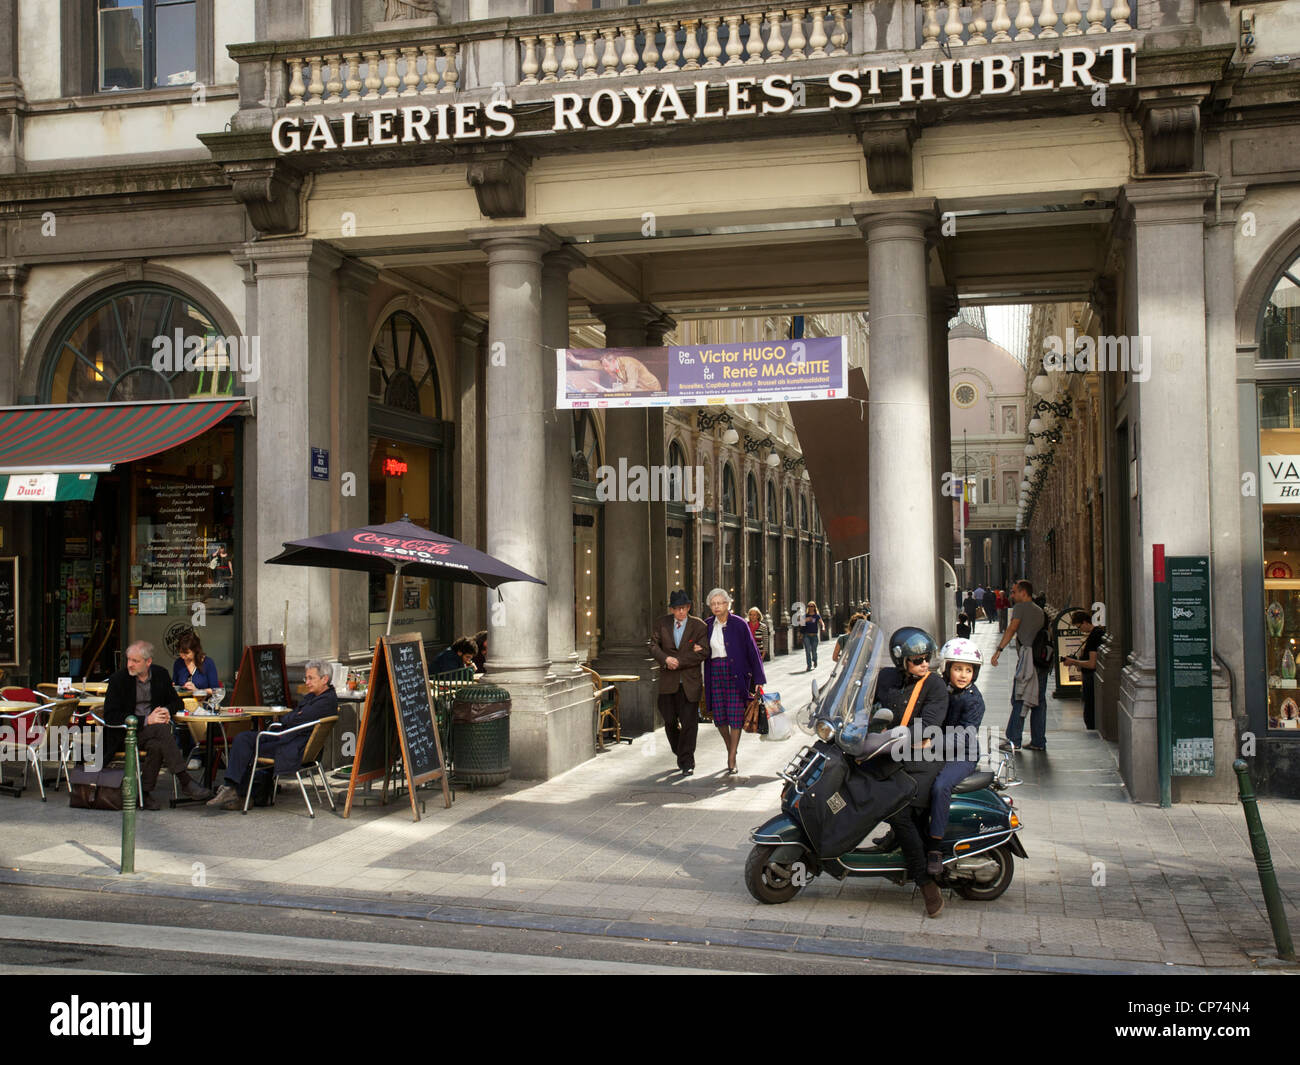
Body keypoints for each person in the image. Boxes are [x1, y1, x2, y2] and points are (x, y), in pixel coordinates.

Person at [875, 627, 950, 918]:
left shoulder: (935, 686)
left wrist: (892, 736)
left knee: (899, 809)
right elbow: (863, 700)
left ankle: (926, 883)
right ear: (900, 661)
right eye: (916, 660)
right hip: (888, 753)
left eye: (926, 658)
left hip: (922, 759)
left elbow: (929, 728)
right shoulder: (886, 677)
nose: (923, 664)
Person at [207, 660, 339, 810]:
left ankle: (236, 791)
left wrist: (289, 718)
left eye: (310, 678)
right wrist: (290, 717)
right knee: (243, 738)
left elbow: (292, 718)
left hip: (293, 747)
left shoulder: (325, 701)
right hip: (286, 737)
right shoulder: (314, 697)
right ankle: (234, 789)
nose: (307, 682)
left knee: (246, 747)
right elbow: (292, 717)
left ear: (324, 679)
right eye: (305, 678)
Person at [101, 641, 211, 808]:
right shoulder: (118, 680)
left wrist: (166, 710)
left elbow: (177, 703)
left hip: (151, 734)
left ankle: (144, 794)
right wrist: (146, 720)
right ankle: (185, 780)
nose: (130, 664)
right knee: (160, 729)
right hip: (125, 734)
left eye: (135, 661)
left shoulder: (160, 675)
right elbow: (110, 716)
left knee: (157, 744)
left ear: (148, 662)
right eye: (129, 660)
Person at [927, 638, 987, 875]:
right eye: (958, 668)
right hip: (936, 748)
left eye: (969, 670)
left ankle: (934, 847)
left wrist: (930, 743)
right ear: (947, 668)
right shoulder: (942, 688)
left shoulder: (974, 700)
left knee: (940, 785)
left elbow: (963, 737)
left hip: (963, 755)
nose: (963, 675)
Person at [703, 587, 766, 776]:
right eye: (713, 604)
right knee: (719, 716)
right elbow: (699, 646)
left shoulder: (739, 623)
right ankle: (731, 746)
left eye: (720, 603)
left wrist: (759, 679)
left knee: (735, 714)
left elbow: (752, 650)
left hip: (736, 673)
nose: (716, 606)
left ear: (727, 604)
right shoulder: (706, 625)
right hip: (714, 672)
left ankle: (731, 758)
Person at [649, 590, 710, 775]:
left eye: (683, 608)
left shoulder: (698, 626)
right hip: (668, 682)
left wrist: (679, 661)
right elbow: (652, 645)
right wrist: (666, 659)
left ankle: (687, 762)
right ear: (672, 610)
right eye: (677, 609)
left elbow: (703, 651)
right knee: (669, 720)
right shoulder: (662, 623)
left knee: (689, 722)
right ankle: (679, 750)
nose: (680, 612)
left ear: (689, 607)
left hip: (690, 683)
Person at [991, 579, 1049, 752]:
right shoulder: (1040, 611)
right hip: (1041, 661)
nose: (1012, 595)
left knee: (1020, 697)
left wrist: (999, 650)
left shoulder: (1020, 608)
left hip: (1028, 660)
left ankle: (1013, 739)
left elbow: (1012, 628)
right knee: (1039, 700)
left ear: (1024, 593)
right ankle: (1038, 740)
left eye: (1014, 592)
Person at [1063, 610, 1106, 731]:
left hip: (1091, 678)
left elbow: (1092, 663)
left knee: (1090, 707)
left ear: (1085, 622)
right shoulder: (1094, 634)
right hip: (1089, 677)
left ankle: (1092, 728)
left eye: (1079, 626)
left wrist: (1073, 662)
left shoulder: (1094, 636)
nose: (1079, 630)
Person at [566, 350, 662, 392]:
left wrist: (614, 390)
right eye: (604, 367)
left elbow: (631, 386)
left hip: (650, 387)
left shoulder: (629, 364)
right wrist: (575, 361)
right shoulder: (611, 364)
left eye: (607, 366)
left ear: (614, 361)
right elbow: (595, 364)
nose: (605, 369)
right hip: (638, 387)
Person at [801, 600, 826, 670]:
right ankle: (809, 665)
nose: (811, 607)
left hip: (814, 636)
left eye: (812, 606)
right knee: (807, 651)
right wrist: (806, 620)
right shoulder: (805, 615)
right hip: (806, 635)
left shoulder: (816, 615)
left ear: (814, 607)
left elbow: (821, 622)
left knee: (814, 651)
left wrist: (823, 627)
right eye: (809, 606)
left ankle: (814, 660)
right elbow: (800, 623)